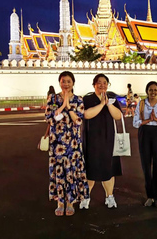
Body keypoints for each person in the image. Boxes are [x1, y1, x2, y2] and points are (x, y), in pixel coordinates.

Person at [44, 71, 89, 216]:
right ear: (59, 82)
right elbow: (49, 117)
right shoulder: (53, 98)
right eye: (63, 81)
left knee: (71, 171)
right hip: (57, 142)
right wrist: (63, 104)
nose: (66, 84)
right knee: (59, 171)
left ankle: (70, 201)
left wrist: (69, 107)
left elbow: (78, 120)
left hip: (73, 143)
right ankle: (60, 202)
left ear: (73, 83)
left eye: (69, 81)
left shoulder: (79, 100)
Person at [81, 74, 123, 209]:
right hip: (91, 139)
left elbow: (118, 116)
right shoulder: (87, 99)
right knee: (90, 170)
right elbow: (86, 114)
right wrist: (102, 104)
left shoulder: (112, 99)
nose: (102, 85)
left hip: (108, 139)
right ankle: (86, 197)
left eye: (105, 83)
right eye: (99, 83)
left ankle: (109, 196)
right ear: (94, 85)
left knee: (109, 169)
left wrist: (108, 104)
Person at [133, 81, 157, 208]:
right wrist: (148, 120)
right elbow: (135, 122)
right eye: (150, 90)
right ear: (147, 91)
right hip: (144, 133)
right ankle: (149, 196)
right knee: (146, 165)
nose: (153, 92)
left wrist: (156, 120)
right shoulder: (141, 104)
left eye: (155, 90)